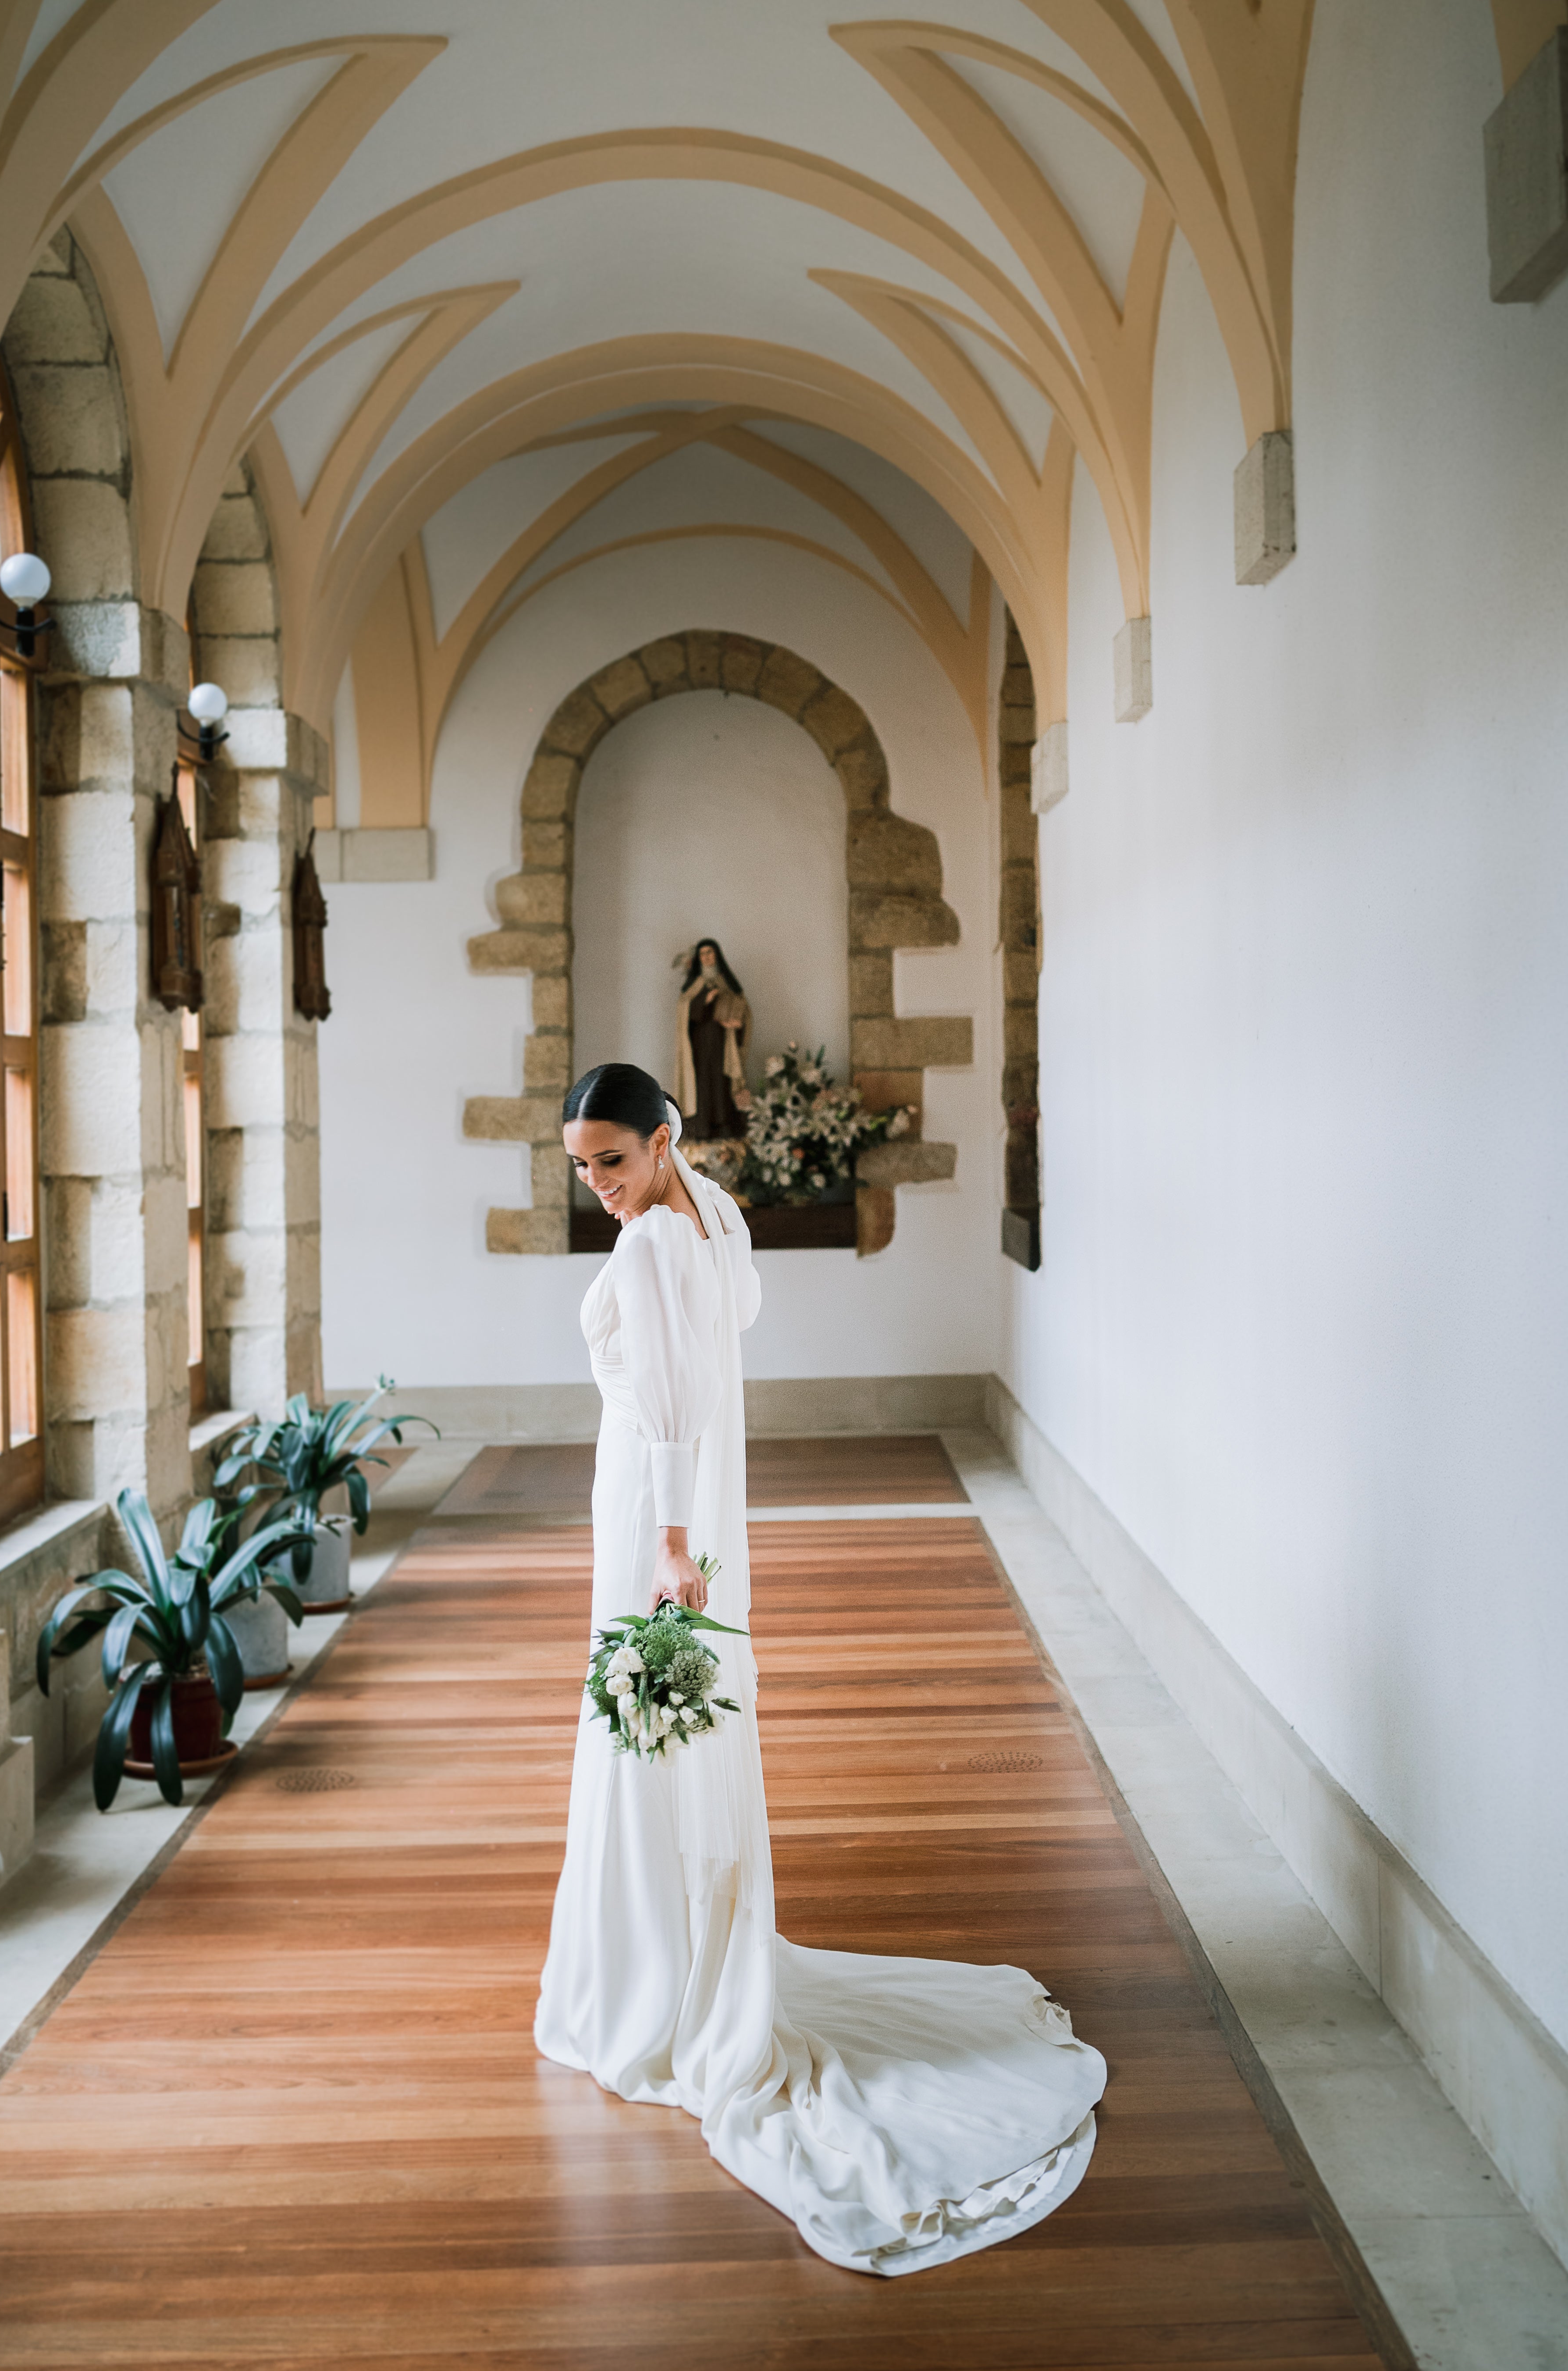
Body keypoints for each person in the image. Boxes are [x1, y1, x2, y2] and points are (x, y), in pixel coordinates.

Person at [535, 1062, 1107, 2275]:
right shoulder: (710, 1209)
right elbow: (725, 1333)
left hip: (656, 1511)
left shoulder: (647, 1248)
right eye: (582, 1165)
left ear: (662, 1137)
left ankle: (649, 1981)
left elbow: (681, 1400)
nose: (598, 1187)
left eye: (613, 1161)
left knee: (645, 1724)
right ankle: (679, 1953)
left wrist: (674, 1552)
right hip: (681, 1507)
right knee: (672, 1733)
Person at [674, 938, 749, 1139]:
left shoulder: (727, 981)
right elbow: (685, 1013)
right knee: (703, 1084)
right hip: (700, 1044)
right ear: (699, 959)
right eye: (703, 954)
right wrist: (704, 1001)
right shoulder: (694, 984)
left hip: (724, 1043)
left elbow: (743, 1008)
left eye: (710, 952)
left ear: (717, 955)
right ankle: (704, 1128)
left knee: (722, 1083)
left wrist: (737, 1022)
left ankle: (725, 1126)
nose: (707, 957)